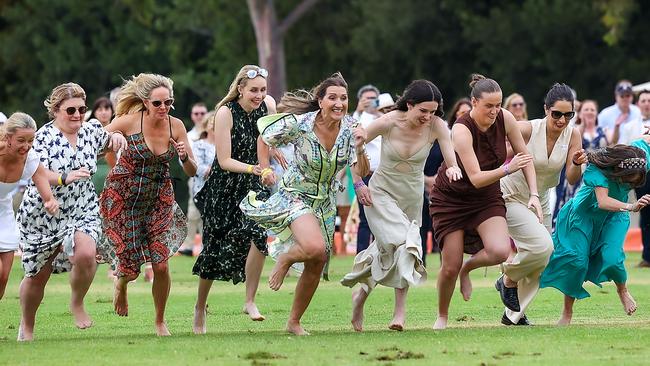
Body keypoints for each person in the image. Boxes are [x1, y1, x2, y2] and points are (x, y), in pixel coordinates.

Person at [241, 72, 369, 335]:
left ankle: (294, 322)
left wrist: (359, 148)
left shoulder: (351, 128)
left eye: (343, 98)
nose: (339, 103)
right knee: (313, 247)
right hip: (295, 194)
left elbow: (362, 170)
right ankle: (286, 257)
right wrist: (265, 170)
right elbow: (264, 138)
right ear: (320, 101)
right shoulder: (300, 124)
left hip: (325, 200)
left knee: (317, 259)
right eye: (332, 97)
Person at [341, 80, 462, 332]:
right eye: (423, 111)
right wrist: (359, 183)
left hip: (412, 196)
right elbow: (355, 147)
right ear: (409, 105)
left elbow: (450, 156)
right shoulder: (389, 121)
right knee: (403, 244)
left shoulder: (437, 126)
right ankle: (389, 306)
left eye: (433, 111)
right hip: (380, 193)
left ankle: (370, 300)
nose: (428, 117)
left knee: (394, 250)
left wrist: (453, 169)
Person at [428, 74, 541, 330]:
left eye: (498, 105)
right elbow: (477, 177)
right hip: (452, 198)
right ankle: (442, 315)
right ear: (474, 102)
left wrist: (534, 193)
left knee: (500, 251)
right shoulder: (460, 129)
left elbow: (525, 157)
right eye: (488, 106)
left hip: (486, 197)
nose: (494, 111)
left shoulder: (506, 118)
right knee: (449, 265)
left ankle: (467, 269)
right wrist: (508, 169)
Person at [17, 83, 126, 341]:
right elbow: (38, 174)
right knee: (37, 275)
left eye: (81, 109)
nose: (77, 114)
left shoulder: (91, 131)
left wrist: (117, 138)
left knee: (87, 254)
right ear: (55, 110)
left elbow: (107, 142)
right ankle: (27, 326)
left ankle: (77, 303)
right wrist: (64, 177)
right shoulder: (43, 138)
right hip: (45, 212)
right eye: (71, 110)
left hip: (82, 207)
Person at [100, 73, 197, 336]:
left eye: (169, 102)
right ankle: (121, 284)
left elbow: (191, 170)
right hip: (125, 197)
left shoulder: (176, 126)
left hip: (158, 198)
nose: (163, 108)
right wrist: (111, 148)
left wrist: (184, 157)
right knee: (130, 268)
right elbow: (95, 143)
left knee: (161, 264)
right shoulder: (129, 121)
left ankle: (159, 320)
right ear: (145, 102)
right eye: (157, 103)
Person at [192, 65, 276, 334]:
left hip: (254, 182)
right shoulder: (225, 113)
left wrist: (272, 158)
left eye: (262, 90)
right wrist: (256, 168)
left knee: (259, 235)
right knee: (214, 248)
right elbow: (224, 160)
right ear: (240, 88)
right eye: (254, 90)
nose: (259, 95)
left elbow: (270, 140)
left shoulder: (269, 106)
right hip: (225, 185)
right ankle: (199, 307)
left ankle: (249, 301)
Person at [499, 83, 586, 326]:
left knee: (542, 260)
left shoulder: (573, 134)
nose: (562, 120)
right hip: (511, 195)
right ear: (546, 109)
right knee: (543, 247)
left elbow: (571, 178)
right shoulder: (527, 128)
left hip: (542, 200)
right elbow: (495, 152)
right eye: (556, 114)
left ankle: (512, 316)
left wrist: (577, 163)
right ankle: (508, 279)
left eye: (568, 115)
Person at [540, 143, 650, 325]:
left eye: (634, 182)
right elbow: (603, 201)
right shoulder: (597, 169)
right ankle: (567, 313)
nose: (630, 184)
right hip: (584, 215)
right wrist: (632, 206)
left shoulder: (640, 162)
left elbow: (644, 139)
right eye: (627, 180)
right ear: (617, 170)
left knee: (613, 257)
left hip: (614, 217)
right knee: (577, 262)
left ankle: (622, 290)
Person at [0, 113, 59, 300]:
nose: (26, 146)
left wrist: (49, 200)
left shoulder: (29, 157)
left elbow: (40, 177)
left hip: (5, 216)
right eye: (21, 140)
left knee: (3, 278)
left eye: (30, 140)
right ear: (8, 137)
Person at [553, 100, 607, 225]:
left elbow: (611, 143)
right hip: (580, 168)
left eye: (592, 109)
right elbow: (576, 142)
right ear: (580, 113)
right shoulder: (575, 130)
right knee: (574, 199)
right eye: (586, 109)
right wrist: (583, 123)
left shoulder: (602, 130)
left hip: (598, 171)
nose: (589, 112)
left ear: (597, 113)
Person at [355, 93, 394, 254]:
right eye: (384, 108)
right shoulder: (365, 120)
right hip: (368, 174)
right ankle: (362, 255)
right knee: (365, 220)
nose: (386, 111)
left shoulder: (393, 123)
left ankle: (384, 254)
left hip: (387, 176)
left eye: (389, 108)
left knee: (387, 217)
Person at [621, 90, 650, 267]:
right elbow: (625, 149)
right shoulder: (630, 127)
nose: (647, 103)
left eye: (649, 100)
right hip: (641, 174)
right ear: (638, 104)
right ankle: (647, 257)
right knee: (645, 213)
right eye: (644, 100)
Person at [179, 102, 209, 257]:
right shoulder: (189, 136)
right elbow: (183, 157)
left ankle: (206, 245)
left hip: (212, 180)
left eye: (202, 113)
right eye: (196, 113)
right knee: (192, 213)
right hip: (195, 177)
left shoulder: (213, 133)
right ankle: (189, 245)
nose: (199, 116)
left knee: (207, 214)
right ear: (192, 116)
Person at [87, 97, 116, 194]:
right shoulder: (87, 133)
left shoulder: (119, 132)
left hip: (114, 182)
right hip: (92, 182)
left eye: (106, 109)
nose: (103, 112)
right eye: (100, 109)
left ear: (112, 111)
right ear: (94, 112)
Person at [599, 80, 641, 144]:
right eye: (622, 96)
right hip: (613, 151)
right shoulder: (605, 114)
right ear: (616, 96)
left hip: (635, 150)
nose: (625, 98)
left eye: (628, 96)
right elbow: (604, 140)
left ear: (632, 96)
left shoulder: (638, 111)